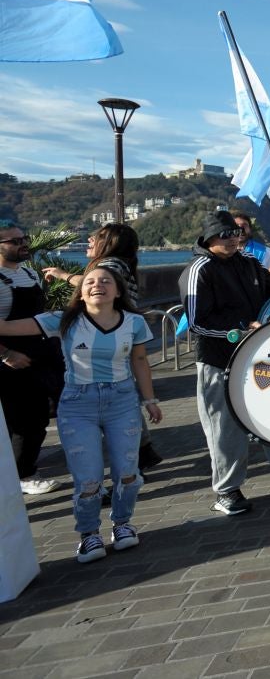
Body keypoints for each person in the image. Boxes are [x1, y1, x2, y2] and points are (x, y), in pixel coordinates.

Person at [0, 267, 162, 562]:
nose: (97, 285)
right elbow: (7, 328)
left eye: (105, 281)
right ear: (81, 291)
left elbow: (139, 360)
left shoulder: (134, 322)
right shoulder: (63, 320)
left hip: (122, 401)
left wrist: (149, 400)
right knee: (88, 478)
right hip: (77, 404)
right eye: (90, 281)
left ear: (117, 291)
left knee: (128, 473)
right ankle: (89, 535)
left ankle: (123, 524)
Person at [179, 210, 270, 516]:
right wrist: (239, 330)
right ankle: (227, 490)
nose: (232, 239)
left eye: (235, 233)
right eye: (225, 234)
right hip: (217, 360)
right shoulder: (200, 269)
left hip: (258, 357)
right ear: (209, 238)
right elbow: (197, 322)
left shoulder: (248, 264)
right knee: (223, 428)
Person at [43, 222, 165, 469]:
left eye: (96, 237)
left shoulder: (110, 265)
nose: (89, 240)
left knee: (116, 394)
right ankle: (142, 450)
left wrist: (62, 275)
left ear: (110, 243)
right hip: (118, 335)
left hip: (109, 335)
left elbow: (90, 282)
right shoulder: (122, 263)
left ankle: (137, 453)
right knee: (122, 391)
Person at [0, 221, 61, 496]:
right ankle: (22, 476)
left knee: (38, 416)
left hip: (38, 355)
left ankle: (23, 471)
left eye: (23, 238)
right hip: (10, 361)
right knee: (20, 421)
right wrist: (6, 355)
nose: (23, 243)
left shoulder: (29, 274)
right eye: (13, 241)